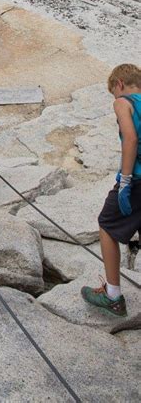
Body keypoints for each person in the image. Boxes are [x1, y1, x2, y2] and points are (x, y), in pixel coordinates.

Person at [81, 64, 141, 317]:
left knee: (106, 224)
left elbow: (130, 138)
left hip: (136, 179)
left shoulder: (123, 102)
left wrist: (125, 181)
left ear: (119, 84)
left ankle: (113, 295)